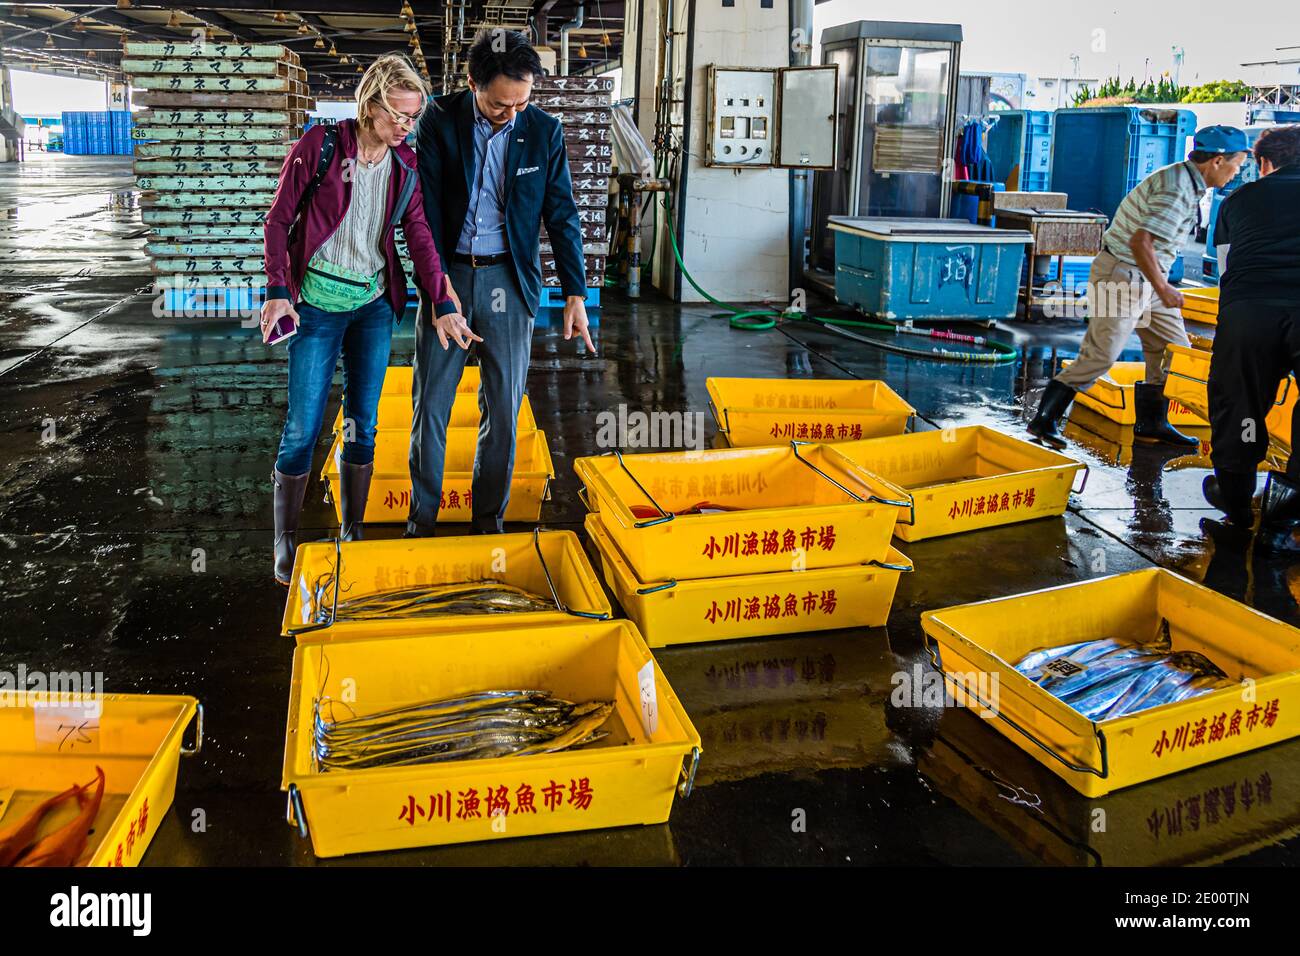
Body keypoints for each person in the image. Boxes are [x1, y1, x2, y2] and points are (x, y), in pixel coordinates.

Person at [260, 54, 461, 584]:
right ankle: (285, 539)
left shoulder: (405, 165)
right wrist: (278, 291)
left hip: (371, 306)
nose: (407, 125)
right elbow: (278, 220)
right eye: (398, 114)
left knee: (363, 423)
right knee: (303, 427)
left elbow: (419, 235)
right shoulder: (321, 147)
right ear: (370, 105)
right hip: (316, 306)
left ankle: (352, 530)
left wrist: (441, 300)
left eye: (414, 116)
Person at [408, 28, 594, 536]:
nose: (511, 114)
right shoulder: (440, 118)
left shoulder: (543, 130)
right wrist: (437, 290)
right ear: (472, 83)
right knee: (431, 405)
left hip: (509, 281)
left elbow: (562, 214)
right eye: (498, 104)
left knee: (504, 409)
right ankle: (421, 521)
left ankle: (487, 521)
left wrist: (574, 293)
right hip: (449, 276)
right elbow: (423, 213)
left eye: (521, 102)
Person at [1027, 125, 1250, 450]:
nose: (1237, 172)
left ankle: (1152, 423)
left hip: (1146, 276)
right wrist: (1164, 288)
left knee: (1173, 351)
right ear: (1217, 161)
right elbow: (1140, 242)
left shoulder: (1187, 181)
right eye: (1237, 164)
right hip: (1124, 274)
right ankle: (1044, 420)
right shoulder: (1177, 189)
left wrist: (1159, 286)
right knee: (1100, 356)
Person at [1202, 124, 1300, 551]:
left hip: (1248, 314)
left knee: (1242, 407)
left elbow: (1226, 272)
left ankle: (1238, 502)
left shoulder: (1238, 200)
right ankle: (1283, 515)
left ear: (1264, 162)